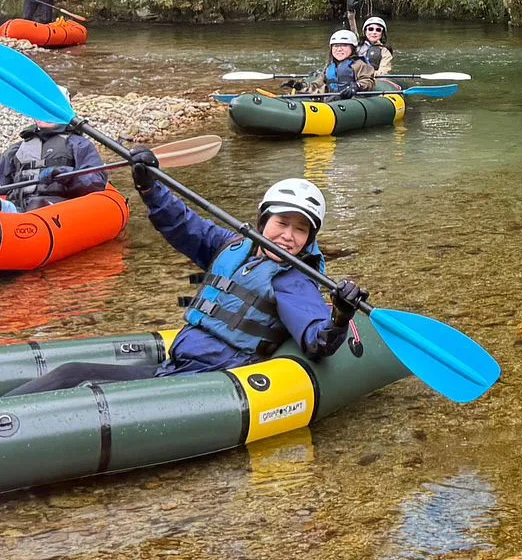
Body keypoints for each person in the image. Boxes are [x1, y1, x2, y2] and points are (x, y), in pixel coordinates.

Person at [8, 169, 367, 394]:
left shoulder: (293, 282)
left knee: (79, 384)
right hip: (178, 364)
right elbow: (184, 225)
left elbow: (317, 340)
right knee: (70, 374)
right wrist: (150, 187)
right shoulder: (233, 246)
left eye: (300, 229)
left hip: (210, 379)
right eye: (281, 223)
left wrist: (338, 316)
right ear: (263, 222)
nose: (288, 236)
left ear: (309, 239)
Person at [0, 89, 105, 211]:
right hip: (18, 210)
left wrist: (67, 174)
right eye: (38, 110)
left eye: (48, 110)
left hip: (59, 210)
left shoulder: (79, 145)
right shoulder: (16, 150)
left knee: (37, 205)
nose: (42, 114)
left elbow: (96, 183)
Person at [305, 29, 377, 97]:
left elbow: (368, 81)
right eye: (336, 46)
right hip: (332, 101)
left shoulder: (359, 64)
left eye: (344, 45)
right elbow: (317, 85)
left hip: (351, 100)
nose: (339, 49)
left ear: (352, 48)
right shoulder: (329, 66)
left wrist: (357, 86)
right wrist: (301, 86)